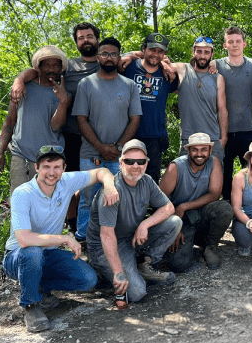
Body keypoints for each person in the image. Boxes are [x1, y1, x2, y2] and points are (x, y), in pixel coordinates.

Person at [3, 144, 119, 332]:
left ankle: (37, 286)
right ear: (37, 167)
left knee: (87, 279)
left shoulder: (67, 181)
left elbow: (102, 171)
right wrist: (64, 239)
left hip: (48, 254)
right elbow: (24, 239)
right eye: (46, 166)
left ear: (64, 168)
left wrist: (109, 185)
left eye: (57, 167)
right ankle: (30, 305)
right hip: (18, 256)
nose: (51, 172)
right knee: (32, 252)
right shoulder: (23, 193)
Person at [10, 23, 102, 232]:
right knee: (65, 185)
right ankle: (69, 225)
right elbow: (35, 72)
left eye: (90, 36)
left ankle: (87, 229)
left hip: (97, 135)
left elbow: (131, 57)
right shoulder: (69, 68)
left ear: (97, 39)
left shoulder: (109, 61)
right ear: (77, 42)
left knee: (87, 185)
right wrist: (18, 80)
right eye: (81, 37)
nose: (86, 40)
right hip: (69, 133)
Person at [86, 140, 182, 303]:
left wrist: (145, 224)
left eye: (141, 161)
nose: (135, 165)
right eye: (130, 161)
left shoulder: (147, 181)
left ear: (146, 163)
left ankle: (146, 265)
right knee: (137, 293)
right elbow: (107, 236)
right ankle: (104, 272)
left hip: (130, 238)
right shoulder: (111, 191)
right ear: (121, 162)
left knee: (174, 222)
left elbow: (168, 207)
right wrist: (118, 273)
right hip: (105, 247)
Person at [72, 37, 143, 241]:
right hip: (90, 154)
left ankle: (116, 240)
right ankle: (84, 238)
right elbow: (81, 119)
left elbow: (135, 119)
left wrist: (119, 147)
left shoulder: (129, 85)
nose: (109, 58)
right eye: (104, 54)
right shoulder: (86, 84)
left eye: (113, 54)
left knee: (118, 198)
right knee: (87, 199)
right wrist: (100, 147)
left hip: (121, 156)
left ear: (119, 57)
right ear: (98, 57)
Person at [0, 46, 70, 195]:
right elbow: (10, 121)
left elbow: (56, 126)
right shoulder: (22, 88)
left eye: (55, 65)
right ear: (38, 67)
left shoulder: (65, 94)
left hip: (51, 157)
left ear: (61, 68)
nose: (51, 69)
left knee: (46, 200)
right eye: (46, 65)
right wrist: (0, 152)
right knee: (19, 197)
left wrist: (63, 102)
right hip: (20, 153)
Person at [159, 132, 234, 271]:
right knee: (178, 265)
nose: (199, 154)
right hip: (178, 218)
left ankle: (209, 247)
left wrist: (184, 206)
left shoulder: (214, 162)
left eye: (204, 149)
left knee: (225, 209)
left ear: (210, 150)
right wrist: (172, 226)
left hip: (199, 212)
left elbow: (215, 194)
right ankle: (186, 241)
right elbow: (159, 199)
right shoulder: (176, 167)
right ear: (188, 150)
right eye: (195, 149)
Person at [122, 32, 179, 182]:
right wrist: (130, 54)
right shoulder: (129, 68)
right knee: (127, 178)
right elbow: (112, 56)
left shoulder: (168, 74)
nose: (156, 54)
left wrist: (166, 64)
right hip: (129, 133)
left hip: (155, 135)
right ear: (144, 49)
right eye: (152, 49)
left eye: (160, 51)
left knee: (151, 180)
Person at [214, 27, 252, 201]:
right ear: (225, 45)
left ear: (244, 44)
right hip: (223, 132)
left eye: (238, 41)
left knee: (251, 172)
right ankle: (226, 207)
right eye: (230, 41)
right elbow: (193, 65)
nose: (234, 45)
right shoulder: (216, 65)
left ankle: (248, 206)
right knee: (223, 173)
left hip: (247, 130)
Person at [169, 36, 228, 163]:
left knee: (215, 180)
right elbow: (160, 62)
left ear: (212, 54)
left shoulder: (218, 78)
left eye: (206, 52)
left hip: (212, 139)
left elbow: (222, 110)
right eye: (199, 51)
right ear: (193, 52)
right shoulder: (183, 70)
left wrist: (223, 139)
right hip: (188, 139)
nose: (202, 56)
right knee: (184, 179)